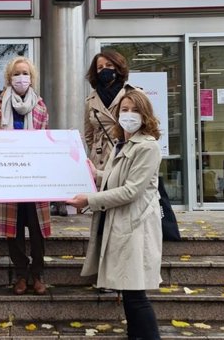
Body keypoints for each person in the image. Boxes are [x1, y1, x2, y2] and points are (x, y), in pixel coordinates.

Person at [67, 89, 163, 340]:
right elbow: (112, 180)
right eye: (124, 110)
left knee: (135, 294)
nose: (128, 115)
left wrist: (88, 199)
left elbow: (131, 191)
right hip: (121, 226)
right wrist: (93, 172)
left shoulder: (147, 147)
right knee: (129, 292)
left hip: (135, 226)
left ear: (145, 115)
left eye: (134, 110)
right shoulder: (122, 144)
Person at [0, 57, 51, 295]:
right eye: (16, 74)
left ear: (31, 78)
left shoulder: (40, 106)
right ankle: (21, 275)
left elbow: (45, 140)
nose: (21, 78)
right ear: (9, 78)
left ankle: (38, 273)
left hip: (34, 176)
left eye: (25, 73)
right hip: (7, 175)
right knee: (12, 230)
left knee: (37, 229)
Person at [84, 49, 135, 182]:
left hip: (126, 153)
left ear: (118, 68)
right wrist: (97, 149)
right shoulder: (91, 100)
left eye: (109, 65)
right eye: (100, 67)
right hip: (99, 159)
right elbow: (89, 135)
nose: (104, 70)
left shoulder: (134, 94)